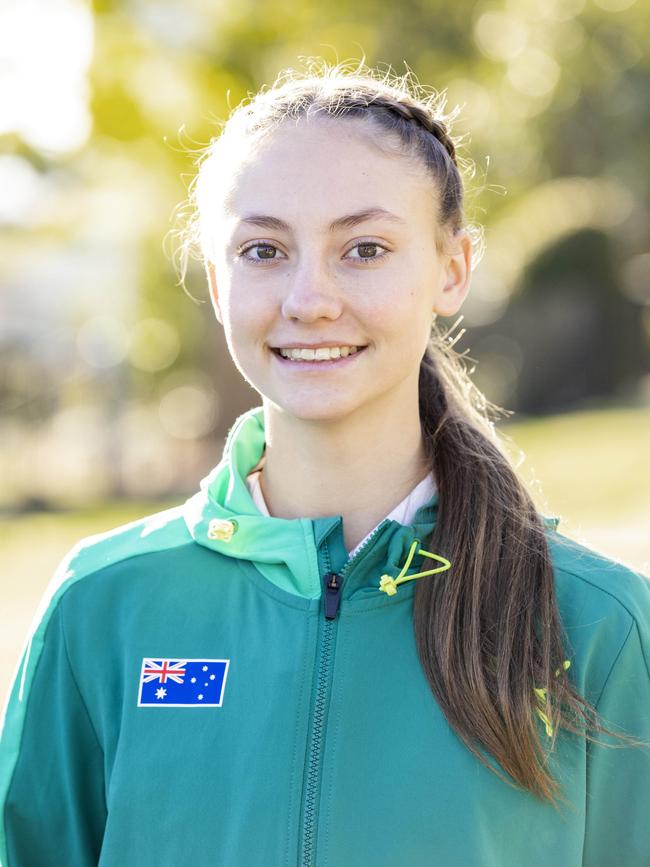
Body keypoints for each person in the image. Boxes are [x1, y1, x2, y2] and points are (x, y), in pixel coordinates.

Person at [1, 59, 649, 867]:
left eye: (365, 248)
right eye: (264, 250)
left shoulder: (598, 626)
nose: (308, 298)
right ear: (216, 275)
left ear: (453, 269)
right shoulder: (102, 604)